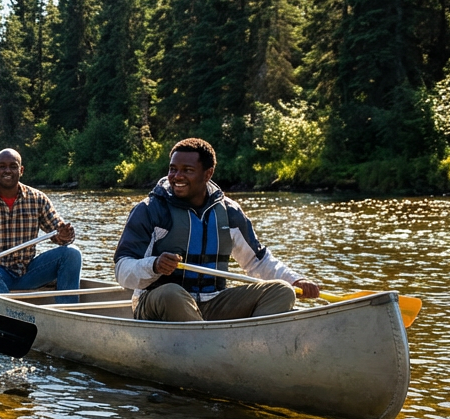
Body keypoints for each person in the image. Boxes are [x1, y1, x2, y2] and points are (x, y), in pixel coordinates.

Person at [113, 137, 320, 321]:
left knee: (282, 291)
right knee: (172, 293)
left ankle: (248, 346)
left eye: (187, 170)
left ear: (208, 173)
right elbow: (122, 270)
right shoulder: (150, 210)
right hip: (157, 302)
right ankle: (212, 349)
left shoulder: (229, 212)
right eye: (173, 168)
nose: (177, 176)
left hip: (212, 304)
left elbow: (258, 261)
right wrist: (154, 265)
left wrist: (295, 280)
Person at [0, 148, 81, 304]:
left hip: (28, 272)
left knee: (72, 253)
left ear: (21, 170)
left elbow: (58, 231)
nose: (7, 170)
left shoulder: (37, 199)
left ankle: (67, 309)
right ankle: (14, 309)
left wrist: (65, 235)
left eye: (13, 166)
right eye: (2, 166)